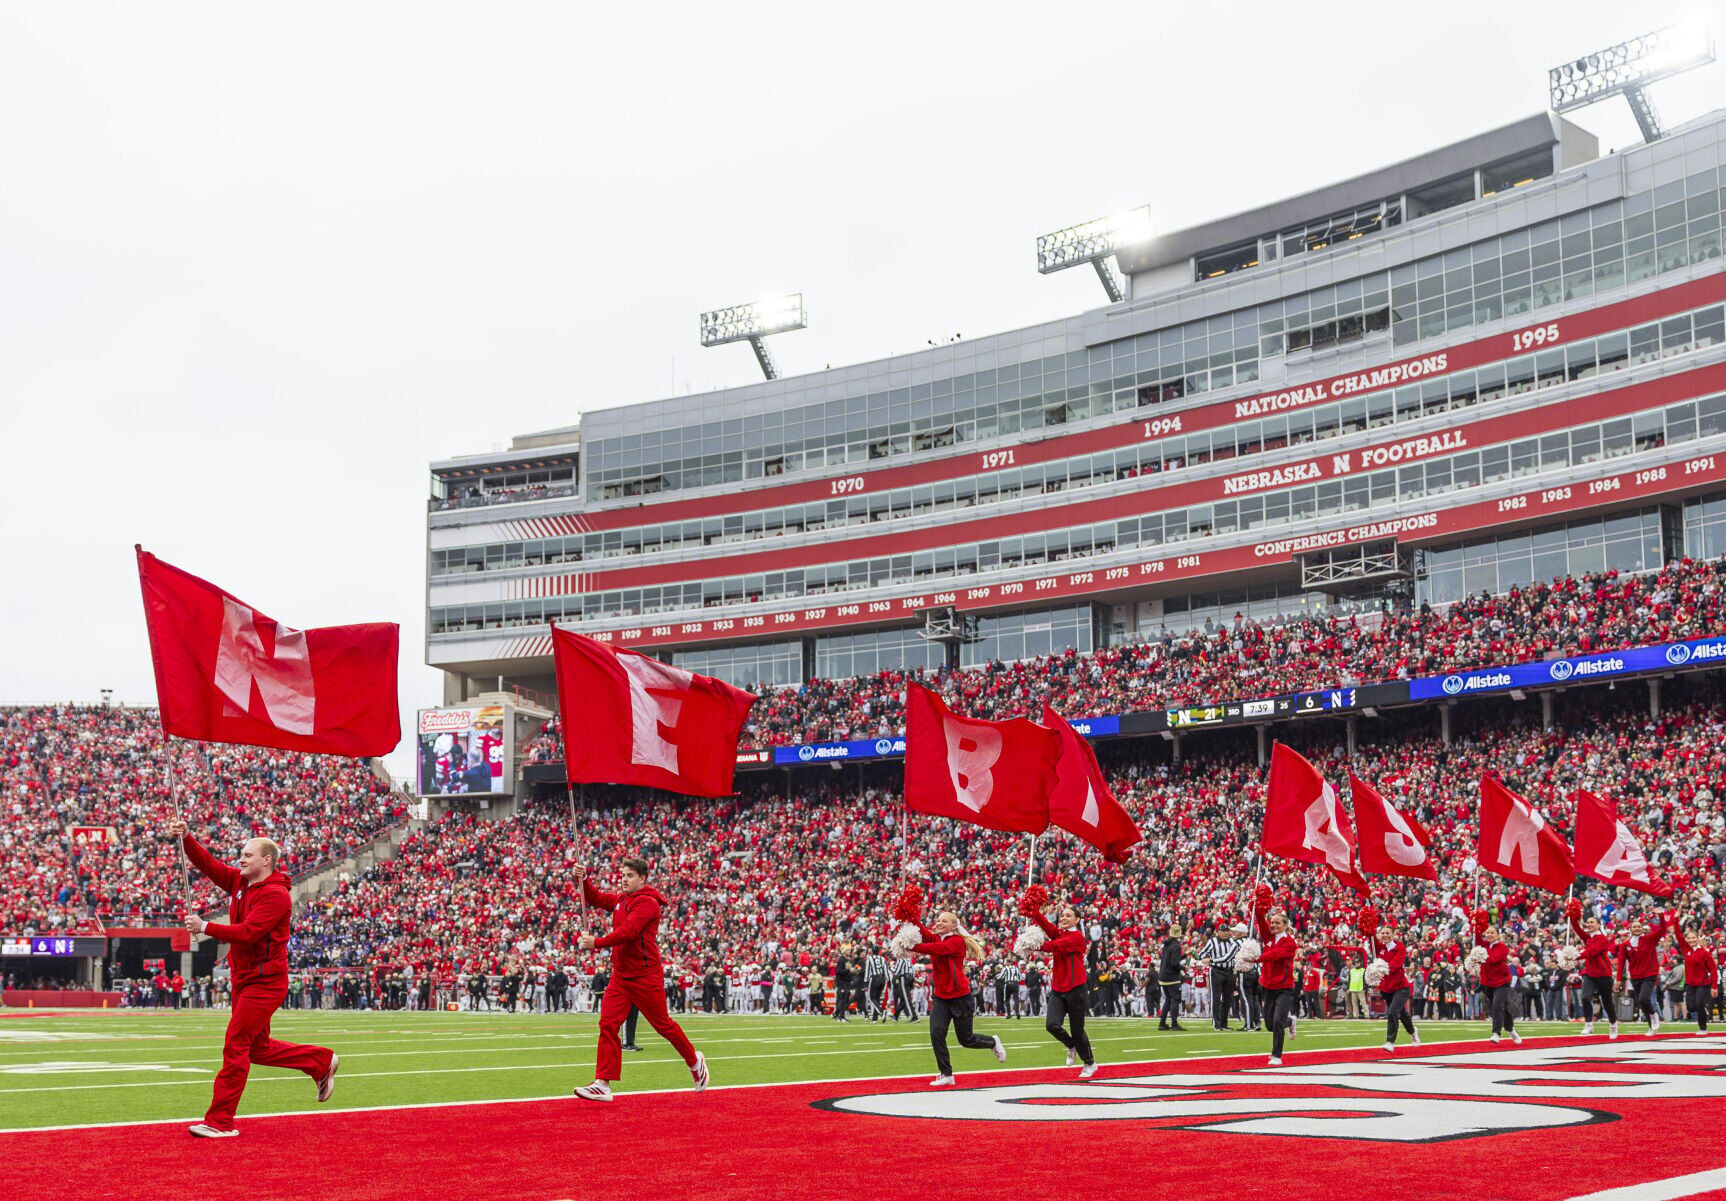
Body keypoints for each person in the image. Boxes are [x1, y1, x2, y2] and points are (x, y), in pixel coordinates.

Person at [169, 817, 336, 1139]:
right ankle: (320, 1061)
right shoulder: (241, 882)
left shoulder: (275, 895)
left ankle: (220, 1121)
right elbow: (208, 864)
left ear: (266, 861)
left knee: (235, 1045)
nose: (240, 860)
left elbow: (248, 933)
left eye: (247, 855)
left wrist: (205, 927)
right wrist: (187, 837)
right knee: (257, 1050)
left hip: (265, 981)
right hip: (245, 978)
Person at [571, 858, 707, 1102]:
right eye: (623, 874)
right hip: (621, 975)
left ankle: (694, 1061)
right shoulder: (621, 900)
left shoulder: (647, 903)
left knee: (663, 1025)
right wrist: (582, 879)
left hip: (645, 976)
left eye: (630, 875)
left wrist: (597, 943)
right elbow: (595, 898)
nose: (624, 878)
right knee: (608, 1023)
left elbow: (629, 932)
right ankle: (603, 1083)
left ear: (642, 879)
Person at [908, 910, 1004, 1086]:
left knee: (966, 1039)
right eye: (938, 920)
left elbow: (935, 949)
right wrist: (909, 914)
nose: (939, 923)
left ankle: (992, 1042)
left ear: (954, 926)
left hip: (960, 997)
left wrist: (910, 946)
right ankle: (946, 1074)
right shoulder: (937, 938)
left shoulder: (956, 942)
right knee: (936, 1033)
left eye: (944, 921)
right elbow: (923, 931)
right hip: (941, 997)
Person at [1028, 901, 1096, 1077]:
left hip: (1076, 988)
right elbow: (1048, 927)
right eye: (1062, 915)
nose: (1064, 918)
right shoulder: (1059, 933)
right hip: (1058, 987)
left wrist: (1036, 946)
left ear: (1077, 920)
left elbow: (1057, 946)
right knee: (1051, 1024)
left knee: (1077, 1030)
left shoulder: (1077, 937)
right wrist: (1034, 913)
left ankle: (1089, 1063)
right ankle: (1071, 1045)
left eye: (1068, 915)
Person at [1253, 902, 1298, 1067]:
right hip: (1267, 986)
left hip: (1284, 988)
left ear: (1285, 925)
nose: (1273, 925)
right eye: (1272, 922)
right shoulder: (1268, 937)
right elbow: (1259, 918)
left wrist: (1255, 958)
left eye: (1277, 923)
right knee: (1270, 1024)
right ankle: (1290, 1022)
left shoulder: (1290, 943)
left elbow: (1273, 955)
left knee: (1278, 1020)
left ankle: (1276, 1055)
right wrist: (1256, 903)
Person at [1366, 919, 1420, 1052]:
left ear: (1393, 934)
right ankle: (1413, 1032)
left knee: (1392, 1012)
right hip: (1386, 989)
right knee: (1402, 1014)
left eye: (1387, 933)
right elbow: (1370, 938)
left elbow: (1396, 965)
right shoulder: (1380, 947)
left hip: (1401, 988)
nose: (1385, 935)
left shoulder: (1399, 947)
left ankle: (1390, 1041)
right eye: (1383, 933)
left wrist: (1380, 969)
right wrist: (1368, 925)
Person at [1569, 906, 1621, 1039]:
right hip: (1590, 973)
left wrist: (1574, 956)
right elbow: (1577, 929)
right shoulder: (1588, 938)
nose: (1589, 924)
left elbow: (1591, 952)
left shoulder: (1602, 939)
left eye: (1592, 922)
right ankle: (1588, 1024)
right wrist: (1573, 916)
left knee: (1607, 1001)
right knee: (1585, 997)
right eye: (1588, 922)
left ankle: (1613, 1024)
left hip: (1603, 974)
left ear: (1599, 925)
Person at [1619, 911, 1673, 1035]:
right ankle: (1651, 1026)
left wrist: (1660, 917)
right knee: (1641, 1002)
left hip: (1649, 974)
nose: (1637, 928)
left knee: (1644, 999)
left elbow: (1662, 929)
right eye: (1634, 926)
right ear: (1630, 929)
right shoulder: (1625, 944)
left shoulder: (1649, 939)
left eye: (1639, 926)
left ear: (1642, 928)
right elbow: (1621, 962)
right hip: (1635, 976)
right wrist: (1618, 979)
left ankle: (1654, 1015)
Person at [1475, 924, 1523, 1046]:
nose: (1489, 935)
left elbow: (1492, 959)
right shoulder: (1483, 945)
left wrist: (1479, 956)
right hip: (1487, 982)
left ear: (1498, 935)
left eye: (1492, 933)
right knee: (1502, 1008)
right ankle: (1511, 1030)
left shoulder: (1503, 947)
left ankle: (1496, 1033)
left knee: (1497, 1005)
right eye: (1487, 933)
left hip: (1502, 982)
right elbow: (1476, 939)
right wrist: (1477, 924)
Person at [1674, 920, 1719, 1034]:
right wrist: (1675, 920)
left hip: (1703, 984)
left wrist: (1714, 986)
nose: (1691, 940)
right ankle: (1703, 1010)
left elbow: (1713, 970)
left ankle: (1703, 1028)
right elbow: (1678, 935)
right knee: (1691, 1007)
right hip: (1689, 984)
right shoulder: (1685, 949)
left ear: (1698, 938)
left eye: (1694, 938)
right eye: (1689, 938)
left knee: (1699, 1005)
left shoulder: (1704, 952)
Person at [1199, 923, 1240, 1031]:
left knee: (1227, 998)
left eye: (1227, 930)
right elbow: (1202, 954)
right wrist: (1206, 961)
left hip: (1230, 971)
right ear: (1218, 932)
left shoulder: (1232, 942)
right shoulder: (1212, 942)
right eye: (1223, 931)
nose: (1226, 933)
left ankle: (1224, 1023)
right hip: (1217, 971)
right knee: (1216, 998)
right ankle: (1216, 1023)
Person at [1156, 924, 1187, 1030]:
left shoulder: (1167, 945)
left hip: (1163, 976)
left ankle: (1162, 1023)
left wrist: (1185, 955)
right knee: (1175, 999)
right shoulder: (1176, 946)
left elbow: (1171, 960)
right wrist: (1183, 967)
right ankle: (1174, 1023)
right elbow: (1174, 963)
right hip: (1172, 978)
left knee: (1168, 1000)